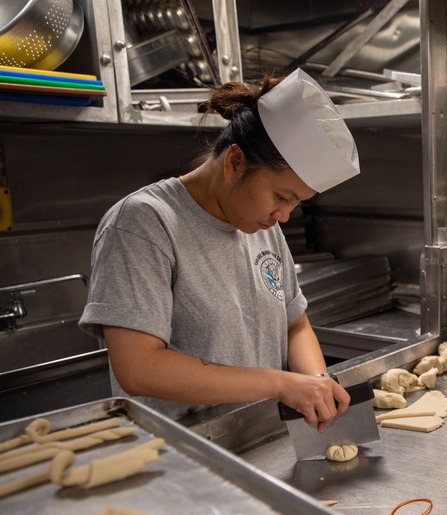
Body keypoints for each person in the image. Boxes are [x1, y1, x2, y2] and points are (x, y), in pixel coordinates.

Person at [80, 69, 360, 431]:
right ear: (235, 162)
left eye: (296, 203)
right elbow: (139, 368)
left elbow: (295, 325)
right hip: (178, 452)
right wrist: (280, 383)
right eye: (281, 197)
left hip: (257, 439)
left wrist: (317, 383)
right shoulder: (144, 224)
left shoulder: (262, 225)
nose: (285, 216)